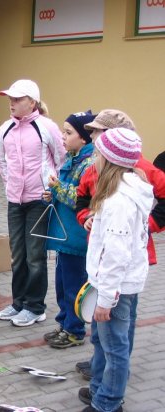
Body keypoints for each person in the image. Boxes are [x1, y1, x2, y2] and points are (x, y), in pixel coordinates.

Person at [74, 109, 165, 380]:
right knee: (105, 323)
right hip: (103, 257)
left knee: (121, 323)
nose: (91, 138)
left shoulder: (142, 169)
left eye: (97, 132)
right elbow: (82, 199)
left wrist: (149, 225)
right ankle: (100, 365)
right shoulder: (95, 168)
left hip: (128, 259)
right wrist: (86, 218)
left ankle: (113, 375)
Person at [0, 79, 66, 327]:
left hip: (39, 200)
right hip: (15, 200)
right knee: (17, 255)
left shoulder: (46, 127)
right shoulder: (5, 128)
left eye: (17, 99)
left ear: (32, 102)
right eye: (10, 99)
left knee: (35, 256)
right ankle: (19, 303)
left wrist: (51, 189)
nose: (11, 103)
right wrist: (9, 186)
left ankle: (35, 307)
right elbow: (1, 161)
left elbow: (61, 159)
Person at [41, 110, 96, 349]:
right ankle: (64, 323)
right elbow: (64, 192)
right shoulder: (72, 158)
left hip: (76, 238)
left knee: (74, 286)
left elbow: (82, 199)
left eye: (68, 132)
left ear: (84, 138)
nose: (63, 136)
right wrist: (51, 193)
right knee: (62, 284)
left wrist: (58, 188)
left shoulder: (90, 164)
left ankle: (74, 330)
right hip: (64, 236)